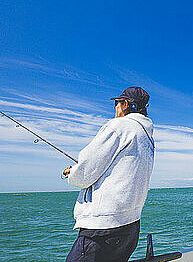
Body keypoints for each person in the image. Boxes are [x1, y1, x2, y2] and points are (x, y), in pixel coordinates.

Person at [63, 86, 154, 262]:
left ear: (126, 104)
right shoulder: (146, 137)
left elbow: (84, 174)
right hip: (131, 227)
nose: (115, 108)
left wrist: (72, 172)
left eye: (117, 103)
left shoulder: (119, 126)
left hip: (103, 228)